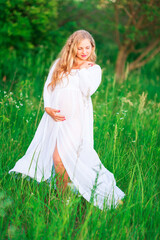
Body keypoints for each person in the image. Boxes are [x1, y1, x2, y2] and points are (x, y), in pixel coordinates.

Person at [9, 30, 125, 210]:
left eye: (88, 47)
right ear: (72, 47)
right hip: (55, 120)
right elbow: (49, 87)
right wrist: (47, 107)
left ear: (92, 47)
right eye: (80, 48)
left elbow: (88, 90)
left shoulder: (93, 69)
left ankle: (101, 193)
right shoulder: (60, 64)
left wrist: (83, 70)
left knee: (69, 158)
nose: (84, 51)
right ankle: (65, 197)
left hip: (76, 121)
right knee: (58, 158)